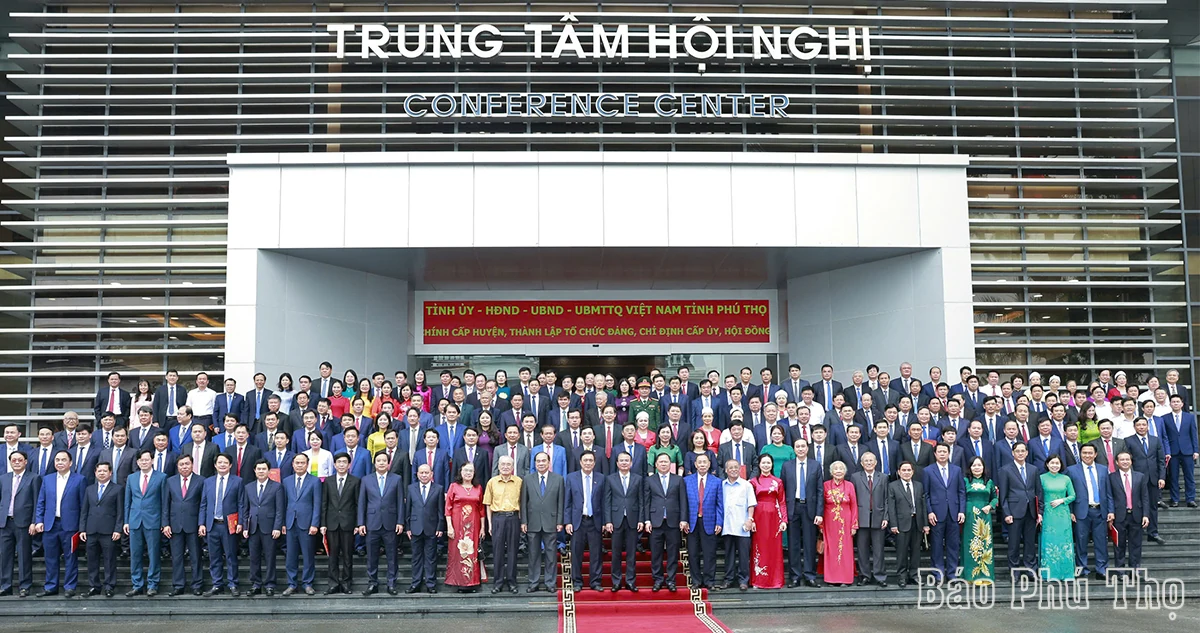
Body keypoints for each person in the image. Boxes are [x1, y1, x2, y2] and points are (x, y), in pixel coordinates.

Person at [34, 450, 85, 597]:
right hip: (50, 524)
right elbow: (41, 502)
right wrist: (39, 520)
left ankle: (69, 587)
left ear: (70, 463)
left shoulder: (80, 479)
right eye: (57, 460)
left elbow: (83, 506)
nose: (60, 463)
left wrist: (81, 527)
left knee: (71, 557)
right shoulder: (47, 479)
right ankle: (51, 586)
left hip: (70, 525)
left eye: (63, 460)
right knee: (50, 557)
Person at [358, 451, 405, 595]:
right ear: (375, 463)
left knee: (392, 556)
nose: (382, 463)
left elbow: (400, 502)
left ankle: (391, 584)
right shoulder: (366, 480)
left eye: (384, 460)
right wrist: (361, 523)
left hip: (391, 523)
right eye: (379, 460)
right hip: (372, 523)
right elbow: (361, 503)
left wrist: (400, 521)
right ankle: (373, 583)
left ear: (388, 463)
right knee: (372, 556)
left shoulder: (396, 479)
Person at [1065, 444, 1113, 580]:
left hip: (1100, 510)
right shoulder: (1071, 470)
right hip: (1081, 511)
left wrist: (1111, 510)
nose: (1087, 455)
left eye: (1090, 453)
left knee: (1101, 542)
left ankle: (1102, 569)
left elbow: (1108, 492)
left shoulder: (1103, 470)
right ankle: (1082, 569)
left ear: (1095, 454)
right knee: (1081, 542)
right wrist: (1070, 511)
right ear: (1080, 454)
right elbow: (1067, 492)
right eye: (1084, 453)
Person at [124, 449, 166, 597]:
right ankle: (137, 584)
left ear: (152, 460)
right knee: (135, 555)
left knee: (153, 554)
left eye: (147, 460)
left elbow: (164, 502)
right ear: (137, 462)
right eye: (141, 460)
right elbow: (127, 501)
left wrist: (164, 521)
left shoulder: (161, 477)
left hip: (153, 520)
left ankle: (153, 584)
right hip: (135, 520)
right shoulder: (131, 478)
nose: (144, 462)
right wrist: (126, 521)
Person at [199, 453, 242, 596]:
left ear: (230, 465)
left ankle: (233, 584)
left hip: (229, 525)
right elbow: (203, 504)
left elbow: (241, 504)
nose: (222, 465)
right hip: (212, 525)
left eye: (225, 462)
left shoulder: (237, 481)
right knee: (214, 557)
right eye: (219, 462)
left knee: (231, 556)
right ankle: (217, 584)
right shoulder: (208, 482)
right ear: (215, 465)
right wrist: (202, 524)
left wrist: (240, 523)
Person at [781, 438, 822, 588]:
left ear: (807, 448)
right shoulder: (787, 466)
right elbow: (782, 491)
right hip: (793, 507)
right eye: (797, 446)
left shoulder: (815, 465)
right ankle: (795, 576)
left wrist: (819, 512)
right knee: (793, 544)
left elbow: (819, 491)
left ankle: (810, 575)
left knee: (810, 543)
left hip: (809, 509)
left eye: (803, 446)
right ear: (794, 449)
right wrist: (783, 513)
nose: (800, 449)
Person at [997, 442, 1042, 579]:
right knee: (1014, 544)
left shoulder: (1033, 469)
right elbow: (1003, 495)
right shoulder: (1005, 470)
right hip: (1014, 511)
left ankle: (1031, 569)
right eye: (1018, 451)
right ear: (1013, 453)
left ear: (1027, 453)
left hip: (1031, 511)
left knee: (1030, 543)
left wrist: (1039, 512)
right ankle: (1014, 572)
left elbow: (1038, 492)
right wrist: (1006, 513)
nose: (1021, 453)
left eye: (1023, 451)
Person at [520, 452, 564, 593]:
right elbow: (523, 502)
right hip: (532, 522)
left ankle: (550, 582)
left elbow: (560, 503)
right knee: (533, 554)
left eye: (543, 461)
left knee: (551, 555)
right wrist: (524, 521)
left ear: (549, 462)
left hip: (551, 522)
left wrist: (559, 521)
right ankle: (533, 582)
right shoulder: (527, 479)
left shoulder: (558, 479)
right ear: (535, 463)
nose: (541, 463)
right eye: (538, 461)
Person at [923, 443, 966, 582]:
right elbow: (926, 494)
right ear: (935, 454)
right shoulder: (928, 471)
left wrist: (961, 510)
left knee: (953, 545)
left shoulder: (957, 470)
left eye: (945, 451)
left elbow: (961, 492)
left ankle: (952, 574)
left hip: (954, 513)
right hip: (936, 513)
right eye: (939, 451)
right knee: (936, 546)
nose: (942, 454)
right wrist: (929, 511)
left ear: (949, 453)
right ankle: (938, 574)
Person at [562, 450, 604, 592]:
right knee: (576, 553)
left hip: (595, 521)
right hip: (577, 521)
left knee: (596, 553)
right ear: (580, 462)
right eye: (585, 460)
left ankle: (595, 581)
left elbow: (604, 502)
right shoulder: (571, 478)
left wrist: (605, 521)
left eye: (590, 460)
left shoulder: (601, 478)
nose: (587, 463)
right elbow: (567, 502)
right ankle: (577, 582)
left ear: (594, 462)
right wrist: (567, 522)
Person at [80, 461, 122, 597]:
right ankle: (94, 586)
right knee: (92, 560)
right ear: (95, 472)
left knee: (109, 560)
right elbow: (84, 510)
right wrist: (82, 529)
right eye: (99, 471)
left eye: (105, 471)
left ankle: (109, 586)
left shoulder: (117, 489)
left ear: (110, 473)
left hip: (109, 531)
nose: (102, 473)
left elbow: (120, 511)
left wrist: (118, 529)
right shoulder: (89, 489)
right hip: (91, 530)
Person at [241, 459, 284, 596]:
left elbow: (279, 509)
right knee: (254, 557)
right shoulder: (248, 487)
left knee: (270, 557)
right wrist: (245, 527)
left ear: (268, 470)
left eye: (263, 469)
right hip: (253, 528)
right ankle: (256, 584)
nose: (261, 471)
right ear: (254, 470)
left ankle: (270, 584)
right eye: (258, 469)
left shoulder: (276, 487)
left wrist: (277, 526)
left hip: (269, 527)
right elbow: (245, 509)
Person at [604, 452, 645, 592]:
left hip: (633, 520)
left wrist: (641, 519)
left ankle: (630, 581)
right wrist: (608, 521)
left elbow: (641, 502)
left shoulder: (638, 479)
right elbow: (607, 502)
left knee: (631, 553)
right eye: (621, 460)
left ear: (631, 463)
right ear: (617, 463)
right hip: (616, 521)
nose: (624, 463)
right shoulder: (610, 479)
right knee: (615, 553)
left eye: (626, 460)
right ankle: (616, 581)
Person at [163, 454, 203, 596]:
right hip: (174, 525)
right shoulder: (170, 481)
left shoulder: (201, 481)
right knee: (177, 556)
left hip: (193, 524)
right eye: (181, 464)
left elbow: (203, 504)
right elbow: (166, 504)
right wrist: (165, 524)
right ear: (177, 466)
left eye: (187, 464)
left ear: (192, 465)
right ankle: (178, 585)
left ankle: (197, 585)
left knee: (195, 556)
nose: (184, 467)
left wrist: (201, 523)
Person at [0, 451, 38, 597]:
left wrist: (34, 521)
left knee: (24, 555)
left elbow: (36, 502)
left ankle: (25, 586)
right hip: (5, 523)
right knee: (5, 556)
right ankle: (5, 585)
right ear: (10, 462)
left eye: (20, 460)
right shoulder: (3, 478)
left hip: (24, 523)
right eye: (14, 460)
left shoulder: (34, 478)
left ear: (26, 462)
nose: (16, 462)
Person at [321, 452, 359, 595]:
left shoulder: (355, 481)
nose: (341, 464)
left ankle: (346, 583)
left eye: (344, 462)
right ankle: (333, 583)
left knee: (348, 555)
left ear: (349, 465)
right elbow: (324, 504)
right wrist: (323, 523)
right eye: (339, 462)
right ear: (334, 465)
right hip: (331, 523)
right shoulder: (328, 481)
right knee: (333, 555)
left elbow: (357, 504)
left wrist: (357, 523)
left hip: (348, 523)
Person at [283, 452, 321, 596]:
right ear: (293, 465)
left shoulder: (315, 481)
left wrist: (315, 524)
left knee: (308, 555)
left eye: (302, 463)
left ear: (307, 464)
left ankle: (307, 583)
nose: (299, 465)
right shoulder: (286, 481)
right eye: (297, 463)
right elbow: (283, 503)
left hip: (307, 524)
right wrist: (282, 524)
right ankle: (292, 584)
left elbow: (317, 504)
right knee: (290, 556)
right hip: (290, 523)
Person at [683, 453, 723, 590]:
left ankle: (709, 581)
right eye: (699, 462)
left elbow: (720, 504)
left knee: (709, 553)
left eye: (705, 462)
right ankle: (696, 581)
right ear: (695, 464)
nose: (702, 465)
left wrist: (719, 522)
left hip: (710, 521)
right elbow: (684, 504)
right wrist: (684, 520)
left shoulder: (717, 482)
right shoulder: (687, 481)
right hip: (692, 522)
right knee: (693, 553)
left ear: (709, 464)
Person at [445, 461, 485, 593]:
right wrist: (449, 526)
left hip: (473, 525)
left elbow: (481, 510)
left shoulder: (478, 488)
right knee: (458, 553)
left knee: (472, 553)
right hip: (457, 525)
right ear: (460, 472)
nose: (468, 473)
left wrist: (483, 528)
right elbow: (448, 508)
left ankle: (472, 583)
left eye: (471, 471)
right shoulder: (454, 486)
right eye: (466, 470)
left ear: (474, 473)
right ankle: (459, 583)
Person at [887, 461, 928, 589]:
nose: (906, 472)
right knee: (902, 552)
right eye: (903, 470)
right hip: (901, 524)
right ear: (899, 472)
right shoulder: (893, 486)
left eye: (908, 470)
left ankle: (914, 575)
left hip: (917, 522)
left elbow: (923, 506)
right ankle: (902, 576)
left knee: (916, 551)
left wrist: (925, 524)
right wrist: (893, 524)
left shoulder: (919, 485)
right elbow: (891, 507)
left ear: (913, 471)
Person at [1125, 417, 1166, 544]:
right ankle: (1136, 532)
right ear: (1134, 426)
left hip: (1153, 478)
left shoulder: (1155, 440)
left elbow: (1161, 460)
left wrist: (1162, 477)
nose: (1141, 427)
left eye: (1144, 425)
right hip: (1136, 479)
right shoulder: (1128, 441)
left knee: (1153, 506)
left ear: (1148, 426)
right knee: (1137, 505)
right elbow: (1127, 461)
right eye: (1139, 425)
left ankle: (1153, 532)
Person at [483, 456, 520, 594]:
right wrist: (490, 524)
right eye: (503, 464)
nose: (505, 467)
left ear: (512, 467)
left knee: (512, 551)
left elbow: (522, 503)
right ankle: (497, 583)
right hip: (497, 518)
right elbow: (487, 504)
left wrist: (521, 522)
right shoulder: (492, 482)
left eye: (508, 464)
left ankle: (512, 582)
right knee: (497, 552)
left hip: (513, 518)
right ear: (498, 466)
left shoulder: (519, 482)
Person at [850, 451, 888, 587]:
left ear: (876, 462)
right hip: (861, 517)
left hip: (879, 517)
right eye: (866, 461)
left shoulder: (883, 477)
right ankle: (864, 575)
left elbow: (887, 499)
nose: (869, 463)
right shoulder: (855, 477)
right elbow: (852, 499)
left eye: (871, 460)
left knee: (879, 550)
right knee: (862, 549)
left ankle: (880, 576)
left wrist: (886, 517)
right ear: (861, 463)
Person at [406, 463, 444, 594]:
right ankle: (415, 583)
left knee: (431, 557)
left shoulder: (438, 489)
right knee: (416, 557)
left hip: (431, 527)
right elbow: (408, 510)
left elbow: (440, 510)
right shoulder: (411, 488)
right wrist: (407, 527)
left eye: (426, 473)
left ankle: (430, 583)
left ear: (431, 474)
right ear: (417, 474)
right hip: (415, 527)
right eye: (421, 473)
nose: (423, 475)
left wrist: (440, 527)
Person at [749, 453, 786, 589]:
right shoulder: (753, 482)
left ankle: (775, 580)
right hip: (758, 517)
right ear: (759, 464)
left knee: (774, 549)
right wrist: (751, 520)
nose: (766, 465)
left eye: (768, 463)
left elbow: (782, 502)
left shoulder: (778, 481)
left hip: (774, 517)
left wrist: (784, 520)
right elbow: (750, 503)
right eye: (763, 463)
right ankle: (758, 580)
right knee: (759, 547)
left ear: (772, 465)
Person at [960, 455, 999, 584]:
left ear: (984, 467)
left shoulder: (989, 482)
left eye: (979, 465)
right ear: (970, 468)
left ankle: (985, 575)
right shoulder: (965, 481)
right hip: (969, 514)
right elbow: (961, 497)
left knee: (984, 544)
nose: (977, 468)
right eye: (974, 465)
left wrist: (990, 506)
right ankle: (970, 576)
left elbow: (995, 498)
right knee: (970, 544)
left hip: (984, 515)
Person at [1037, 454, 1076, 580]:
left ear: (1061, 465)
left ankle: (1066, 573)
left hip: (1063, 514)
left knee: (1064, 541)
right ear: (1047, 464)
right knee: (1049, 541)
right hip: (1048, 514)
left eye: (1057, 463)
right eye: (1052, 463)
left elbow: (1073, 495)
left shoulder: (1066, 479)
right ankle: (1049, 573)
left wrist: (1062, 500)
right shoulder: (1041, 478)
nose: (1055, 465)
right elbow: (1038, 496)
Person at [1110, 452, 1150, 572]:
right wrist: (1111, 512)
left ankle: (1135, 570)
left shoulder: (1140, 476)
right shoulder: (1111, 477)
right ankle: (1120, 571)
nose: (1125, 462)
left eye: (1127, 459)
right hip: (1119, 516)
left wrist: (1146, 515)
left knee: (1136, 545)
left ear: (1131, 461)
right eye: (1122, 460)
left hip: (1136, 515)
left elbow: (1145, 497)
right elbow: (1109, 496)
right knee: (1119, 545)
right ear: (1117, 462)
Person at [720, 458, 756, 591]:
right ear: (726, 470)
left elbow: (751, 504)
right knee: (728, 554)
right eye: (731, 467)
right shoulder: (722, 485)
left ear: (740, 469)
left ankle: (743, 580)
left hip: (743, 526)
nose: (734, 470)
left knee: (743, 555)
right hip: (727, 526)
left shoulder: (746, 485)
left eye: (736, 467)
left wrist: (750, 519)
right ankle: (728, 579)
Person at [820, 460, 857, 586]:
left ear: (845, 471)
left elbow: (854, 506)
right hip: (829, 522)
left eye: (841, 468)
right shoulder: (825, 485)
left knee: (845, 549)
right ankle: (831, 579)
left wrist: (854, 524)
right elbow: (822, 505)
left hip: (846, 521)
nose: (838, 471)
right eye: (836, 468)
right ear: (831, 472)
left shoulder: (850, 485)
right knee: (831, 549)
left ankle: (845, 578)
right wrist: (821, 525)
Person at [1161, 394, 1198, 508]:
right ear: (1170, 404)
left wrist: (1196, 450)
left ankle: (1190, 499)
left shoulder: (1189, 417)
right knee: (1173, 477)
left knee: (1189, 476)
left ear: (1182, 404)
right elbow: (1164, 436)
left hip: (1187, 450)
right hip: (1172, 452)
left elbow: (1194, 434)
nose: (1176, 403)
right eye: (1173, 402)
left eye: (1178, 402)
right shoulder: (1164, 418)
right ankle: (1174, 499)